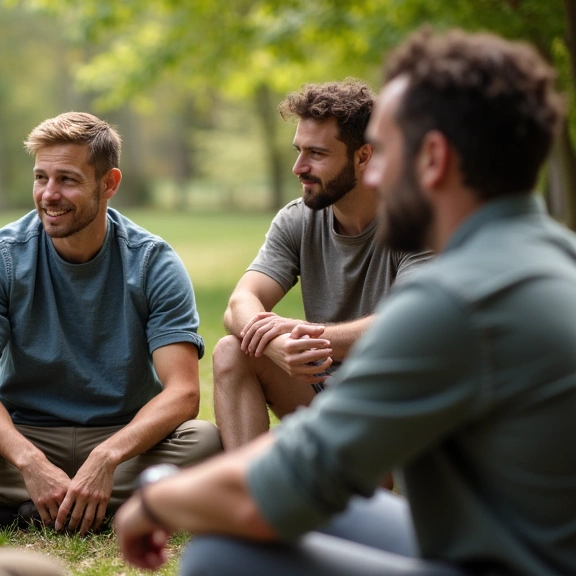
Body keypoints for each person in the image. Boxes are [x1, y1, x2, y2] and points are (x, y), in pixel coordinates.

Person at [114, 29, 576, 576]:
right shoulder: (553, 255)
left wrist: (154, 498)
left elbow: (270, 494)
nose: (373, 172)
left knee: (222, 551)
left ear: (432, 158)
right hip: (493, 536)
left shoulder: (458, 300)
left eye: (385, 150)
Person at [0, 112, 221, 536]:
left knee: (204, 442)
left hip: (124, 438)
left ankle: (18, 512)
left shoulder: (153, 261)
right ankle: (104, 508)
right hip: (26, 434)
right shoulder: (3, 255)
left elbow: (183, 393)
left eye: (68, 180)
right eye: (41, 178)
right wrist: (30, 462)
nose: (49, 195)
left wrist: (108, 457)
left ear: (109, 184)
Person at [212, 79, 430, 450]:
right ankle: (248, 494)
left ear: (364, 157)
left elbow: (413, 325)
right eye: (299, 150)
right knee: (231, 351)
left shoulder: (418, 222)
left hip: (395, 398)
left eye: (316, 153)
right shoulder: (298, 220)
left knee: (355, 481)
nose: (299, 167)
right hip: (323, 389)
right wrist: (277, 343)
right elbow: (240, 303)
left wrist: (312, 337)